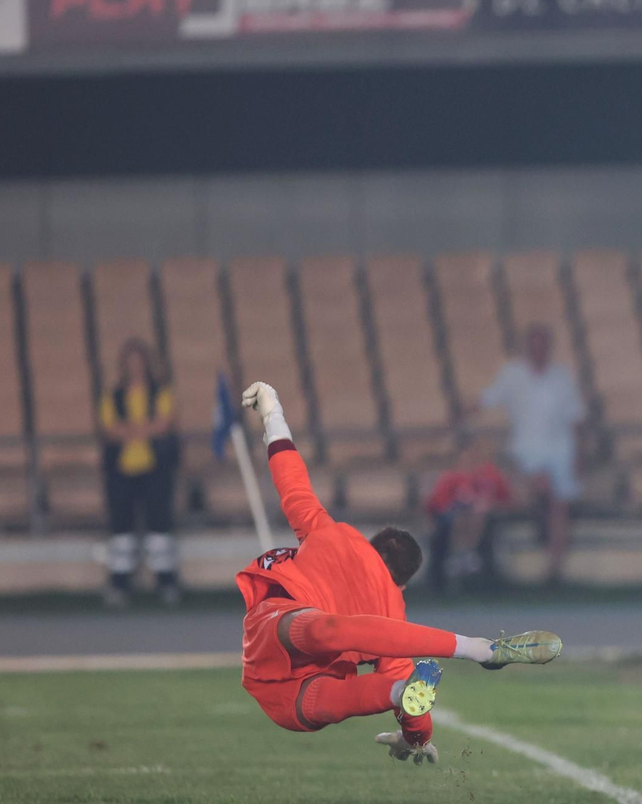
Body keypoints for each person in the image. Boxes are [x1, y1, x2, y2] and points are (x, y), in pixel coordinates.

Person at [235, 381, 562, 763]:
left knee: (321, 631)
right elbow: (416, 708)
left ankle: (469, 651)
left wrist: (273, 414)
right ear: (402, 583)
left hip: (279, 635)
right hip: (304, 695)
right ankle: (470, 651)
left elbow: (291, 480)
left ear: (372, 545)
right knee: (344, 693)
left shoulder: (329, 531)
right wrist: (417, 738)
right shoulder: (392, 609)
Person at [473, 324, 585, 584]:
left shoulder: (561, 377)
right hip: (525, 452)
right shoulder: (513, 374)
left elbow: (575, 417)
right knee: (541, 488)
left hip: (560, 450)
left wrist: (578, 455)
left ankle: (554, 567)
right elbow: (487, 399)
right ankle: (540, 527)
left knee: (560, 508)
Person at [98, 338, 181, 607]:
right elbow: (111, 430)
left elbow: (163, 425)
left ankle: (165, 580)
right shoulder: (113, 396)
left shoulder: (161, 393)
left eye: (139, 362)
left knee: (159, 525)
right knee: (121, 527)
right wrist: (144, 429)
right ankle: (120, 581)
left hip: (156, 468)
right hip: (122, 470)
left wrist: (132, 430)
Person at [425, 439, 515, 592]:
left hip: (487, 519)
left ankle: (465, 554)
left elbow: (507, 499)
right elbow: (437, 504)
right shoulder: (451, 478)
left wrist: (489, 506)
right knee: (461, 515)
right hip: (453, 519)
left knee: (477, 512)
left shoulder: (491, 475)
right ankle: (464, 554)